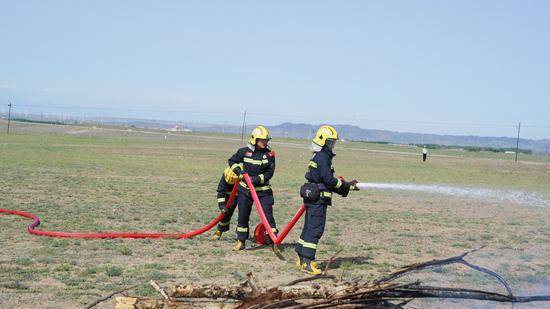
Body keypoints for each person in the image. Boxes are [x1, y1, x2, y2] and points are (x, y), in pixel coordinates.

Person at [295, 125, 360, 275]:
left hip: (312, 196)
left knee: (308, 227)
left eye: (333, 142)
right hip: (318, 199)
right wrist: (345, 185)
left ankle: (300, 255)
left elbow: (326, 181)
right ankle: (307, 262)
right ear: (322, 141)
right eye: (330, 142)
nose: (332, 145)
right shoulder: (323, 157)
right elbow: (329, 180)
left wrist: (347, 187)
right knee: (315, 229)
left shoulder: (317, 156)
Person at [228, 125, 277, 251]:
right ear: (255, 139)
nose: (265, 142)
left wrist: (256, 179)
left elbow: (269, 173)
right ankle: (241, 241)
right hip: (245, 190)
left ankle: (273, 240)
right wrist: (240, 173)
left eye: (266, 140)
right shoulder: (244, 152)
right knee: (243, 216)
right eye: (262, 140)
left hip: (263, 192)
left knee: (268, 216)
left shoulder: (269, 154)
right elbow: (232, 161)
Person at [211, 165, 242, 240]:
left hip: (243, 194)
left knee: (243, 215)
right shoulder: (226, 174)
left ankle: (241, 234)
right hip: (230, 195)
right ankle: (220, 231)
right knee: (226, 214)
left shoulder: (242, 175)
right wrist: (222, 205)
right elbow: (221, 191)